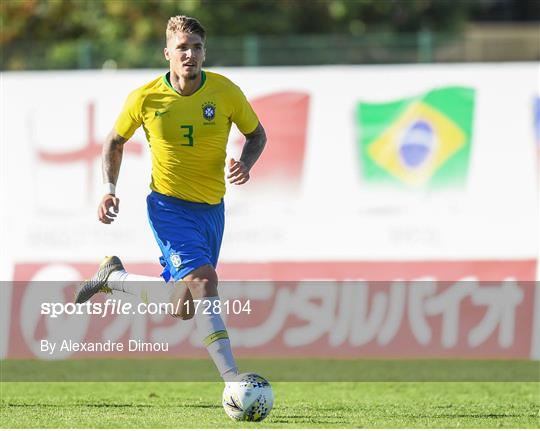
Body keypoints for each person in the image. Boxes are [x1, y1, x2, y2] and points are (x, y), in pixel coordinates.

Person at [75, 15, 266, 383]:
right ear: (167, 53)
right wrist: (109, 191)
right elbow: (114, 141)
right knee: (205, 280)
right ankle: (234, 383)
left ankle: (115, 278)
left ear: (204, 52)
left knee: (183, 305)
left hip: (212, 209)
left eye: (196, 48)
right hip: (168, 206)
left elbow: (257, 135)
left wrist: (246, 163)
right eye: (182, 48)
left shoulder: (226, 92)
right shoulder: (145, 98)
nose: (190, 55)